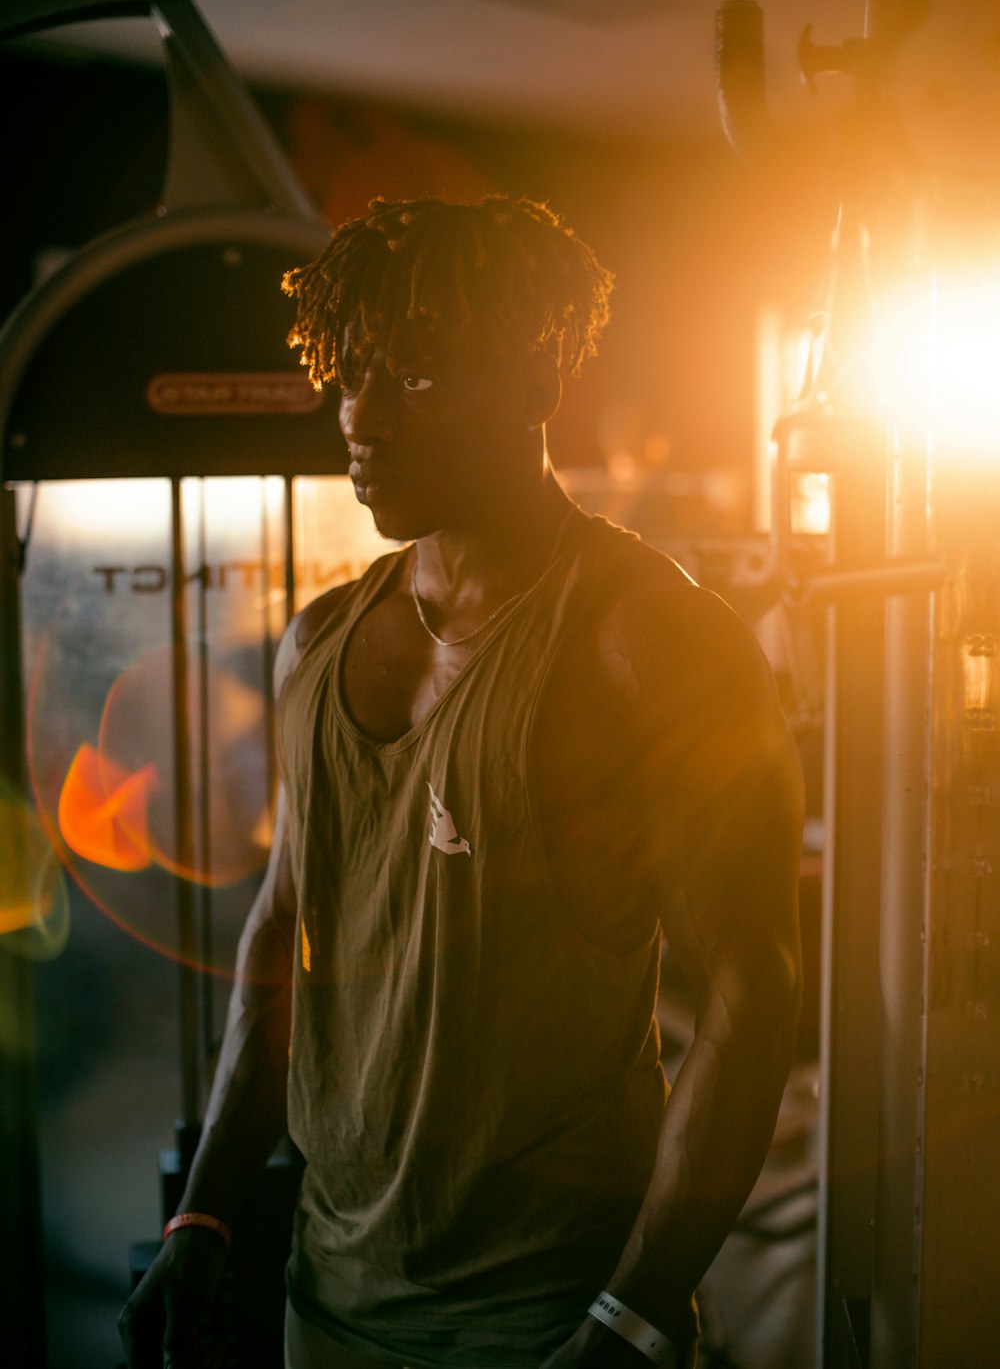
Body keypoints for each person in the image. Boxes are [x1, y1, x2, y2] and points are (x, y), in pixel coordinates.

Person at [119, 196, 804, 1369]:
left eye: (421, 380)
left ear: (537, 385)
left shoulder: (647, 644)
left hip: (549, 1318)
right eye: (353, 376)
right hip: (325, 1303)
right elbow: (286, 939)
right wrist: (206, 1212)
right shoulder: (319, 639)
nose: (364, 419)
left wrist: (631, 1314)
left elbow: (749, 1000)